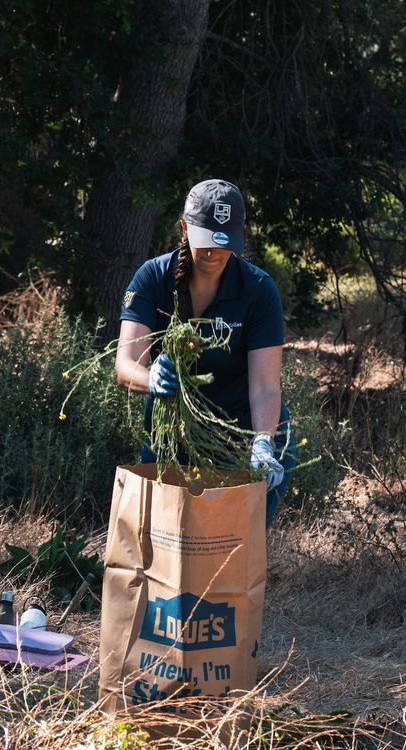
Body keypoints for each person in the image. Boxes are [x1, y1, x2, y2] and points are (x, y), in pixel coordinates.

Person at [114, 179, 296, 527]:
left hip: (243, 429)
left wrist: (262, 444)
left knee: (232, 544)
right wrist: (150, 378)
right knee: (163, 536)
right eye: (205, 241)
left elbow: (265, 386)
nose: (212, 253)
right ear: (184, 227)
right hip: (173, 430)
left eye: (223, 242)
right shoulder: (153, 278)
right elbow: (125, 366)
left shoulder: (258, 289)